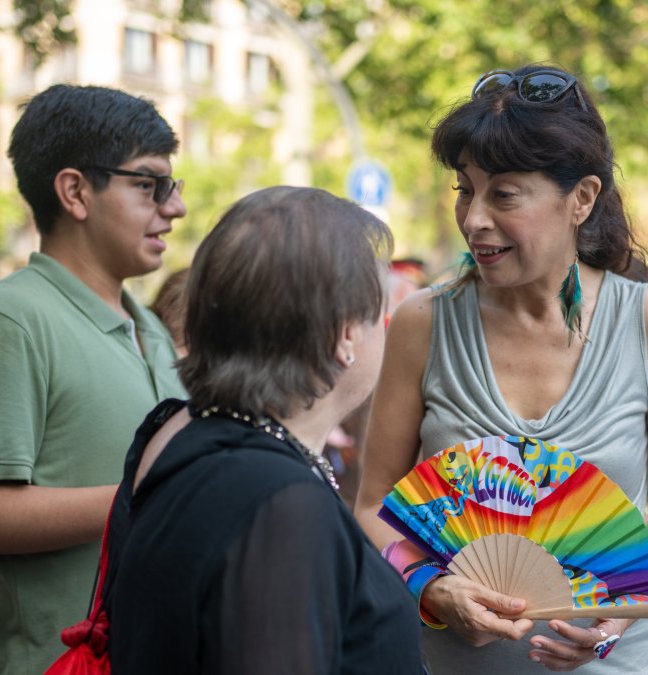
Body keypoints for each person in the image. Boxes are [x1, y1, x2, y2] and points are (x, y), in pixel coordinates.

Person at [354, 65, 648, 674]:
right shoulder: (423, 322)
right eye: (464, 190)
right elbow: (372, 505)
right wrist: (430, 587)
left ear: (582, 198)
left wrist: (630, 599)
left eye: (504, 193)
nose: (474, 219)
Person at [104, 186, 422, 673]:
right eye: (379, 313)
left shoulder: (175, 428)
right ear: (343, 336)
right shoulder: (282, 503)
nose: (386, 327)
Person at [0, 84, 186, 675]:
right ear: (75, 191)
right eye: (148, 186)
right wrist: (150, 496)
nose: (172, 208)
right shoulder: (13, 320)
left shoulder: (148, 323)